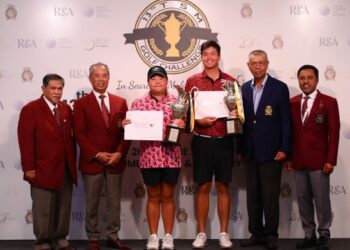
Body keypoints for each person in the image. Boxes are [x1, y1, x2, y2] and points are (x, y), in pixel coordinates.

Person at [123, 66, 185, 250]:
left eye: (161, 78)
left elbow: (187, 126)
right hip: (149, 156)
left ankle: (167, 236)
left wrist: (182, 121)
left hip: (171, 156)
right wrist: (127, 124)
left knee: (168, 196)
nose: (157, 81)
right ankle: (152, 236)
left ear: (167, 81)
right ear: (148, 82)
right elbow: (132, 129)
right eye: (153, 79)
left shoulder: (177, 102)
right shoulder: (138, 103)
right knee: (153, 196)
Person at [73, 63, 131, 250]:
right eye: (96, 75)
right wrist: (97, 154)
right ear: (90, 78)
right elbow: (79, 134)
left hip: (115, 160)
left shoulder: (120, 102)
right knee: (92, 202)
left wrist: (120, 153)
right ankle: (93, 237)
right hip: (92, 161)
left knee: (114, 202)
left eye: (104, 75)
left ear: (109, 77)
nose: (101, 79)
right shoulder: (81, 104)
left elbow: (126, 132)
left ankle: (113, 236)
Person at [17, 74, 77, 250]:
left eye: (60, 88)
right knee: (44, 210)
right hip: (42, 169)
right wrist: (29, 168)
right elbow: (25, 141)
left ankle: (61, 241)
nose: (57, 92)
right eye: (53, 88)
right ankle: (43, 244)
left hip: (65, 168)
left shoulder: (66, 108)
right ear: (43, 88)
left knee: (63, 208)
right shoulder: (31, 109)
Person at [185, 40, 235, 249]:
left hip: (225, 141)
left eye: (213, 54)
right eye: (205, 54)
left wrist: (234, 114)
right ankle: (202, 233)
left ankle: (224, 233)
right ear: (202, 57)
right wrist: (198, 121)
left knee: (223, 186)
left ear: (219, 56)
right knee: (203, 186)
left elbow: (239, 112)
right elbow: (186, 114)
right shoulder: (193, 81)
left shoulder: (230, 82)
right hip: (202, 141)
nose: (209, 58)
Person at [239, 50, 291, 250]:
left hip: (272, 152)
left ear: (267, 64)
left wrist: (285, 148)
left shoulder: (279, 88)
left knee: (270, 196)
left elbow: (286, 122)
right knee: (253, 196)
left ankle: (271, 234)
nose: (258, 66)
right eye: (254, 63)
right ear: (249, 65)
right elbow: (242, 123)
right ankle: (256, 233)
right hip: (249, 151)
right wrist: (239, 149)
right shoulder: (243, 89)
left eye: (261, 63)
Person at [284, 65, 340, 250]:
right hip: (298, 160)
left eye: (309, 77)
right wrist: (289, 158)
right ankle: (309, 234)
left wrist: (330, 159)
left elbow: (334, 133)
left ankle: (324, 233)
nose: (305, 81)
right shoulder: (292, 102)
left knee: (322, 199)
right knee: (303, 198)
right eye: (302, 78)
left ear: (316, 80)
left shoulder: (329, 102)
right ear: (298, 80)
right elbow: (290, 133)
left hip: (320, 161)